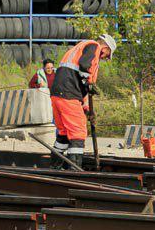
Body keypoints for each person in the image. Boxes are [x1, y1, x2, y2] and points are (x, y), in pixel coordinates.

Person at [49, 34, 116, 169]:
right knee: (78, 132)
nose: (105, 58)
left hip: (58, 93)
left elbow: (78, 78)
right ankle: (74, 169)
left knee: (63, 132)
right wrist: (89, 83)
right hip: (69, 93)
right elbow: (84, 66)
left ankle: (54, 167)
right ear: (106, 48)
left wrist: (85, 107)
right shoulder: (94, 46)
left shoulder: (79, 47)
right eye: (107, 55)